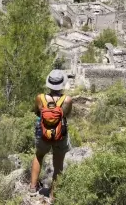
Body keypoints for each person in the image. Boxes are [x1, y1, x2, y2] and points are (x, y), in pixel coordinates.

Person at [30, 69, 73, 199]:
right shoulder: (67, 100)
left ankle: (32, 188)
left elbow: (36, 112)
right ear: (62, 84)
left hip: (43, 132)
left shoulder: (40, 98)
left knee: (39, 156)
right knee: (58, 164)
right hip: (60, 134)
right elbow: (66, 115)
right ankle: (53, 195)